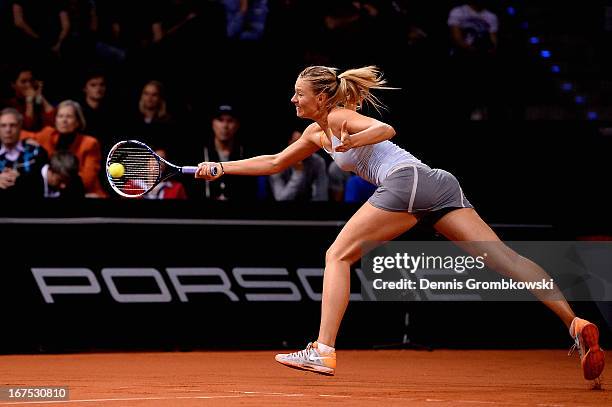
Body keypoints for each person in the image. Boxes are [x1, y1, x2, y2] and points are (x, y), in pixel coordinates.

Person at [194, 66, 605, 381]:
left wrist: (351, 140)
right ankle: (575, 323)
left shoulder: (340, 117)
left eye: (299, 94)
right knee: (505, 259)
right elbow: (273, 162)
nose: (292, 100)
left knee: (336, 255)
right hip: (437, 184)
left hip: (406, 181)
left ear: (321, 97)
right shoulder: (316, 133)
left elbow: (386, 128)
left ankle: (322, 349)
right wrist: (219, 167)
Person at [25, 100, 107, 197]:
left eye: (69, 116)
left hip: (84, 192)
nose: (64, 120)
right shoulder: (48, 134)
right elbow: (19, 134)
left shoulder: (90, 143)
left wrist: (62, 180)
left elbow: (87, 180)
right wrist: (26, 141)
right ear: (55, 120)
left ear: (78, 122)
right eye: (60, 116)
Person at [268, 128, 328, 201]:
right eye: (297, 143)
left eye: (305, 143)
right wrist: (297, 173)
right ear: (289, 143)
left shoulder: (317, 162)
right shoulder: (278, 162)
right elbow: (281, 198)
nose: (301, 147)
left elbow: (321, 195)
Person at [0, 108, 48, 198]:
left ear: (20, 127)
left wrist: (21, 179)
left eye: (13, 125)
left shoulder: (36, 152)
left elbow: (45, 185)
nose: (8, 130)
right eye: (3, 126)